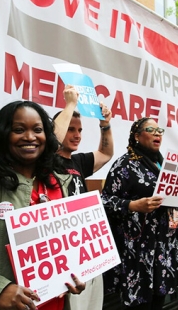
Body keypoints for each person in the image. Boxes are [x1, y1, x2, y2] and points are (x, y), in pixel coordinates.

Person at [0, 100, 85, 310]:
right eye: (19, 130)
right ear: (3, 135)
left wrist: (76, 273)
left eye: (37, 130)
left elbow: (64, 247)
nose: (30, 137)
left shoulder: (59, 183)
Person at [101, 117, 178, 310]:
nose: (158, 134)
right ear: (137, 136)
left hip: (164, 247)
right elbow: (104, 201)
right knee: (140, 304)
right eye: (151, 129)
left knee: (157, 301)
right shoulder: (125, 165)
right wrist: (133, 205)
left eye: (160, 131)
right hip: (139, 250)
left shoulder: (165, 165)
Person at [52, 86, 113, 310]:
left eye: (79, 130)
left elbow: (106, 154)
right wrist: (70, 105)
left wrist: (105, 124)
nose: (77, 135)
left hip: (84, 248)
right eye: (70, 129)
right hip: (61, 250)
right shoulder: (45, 161)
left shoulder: (78, 161)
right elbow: (50, 141)